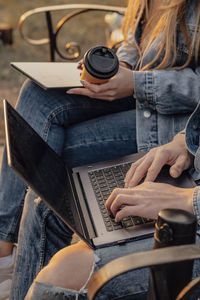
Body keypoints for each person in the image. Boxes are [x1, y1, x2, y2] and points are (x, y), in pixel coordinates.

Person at [0, 0, 199, 298]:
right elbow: (134, 38)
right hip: (175, 132)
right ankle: (5, 249)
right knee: (37, 101)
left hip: (167, 117)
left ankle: (14, 264)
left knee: (54, 177)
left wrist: (136, 84)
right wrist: (121, 67)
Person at [24, 99, 200, 300]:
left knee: (63, 272)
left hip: (192, 204)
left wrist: (188, 199)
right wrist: (186, 143)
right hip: (189, 174)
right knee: (52, 198)